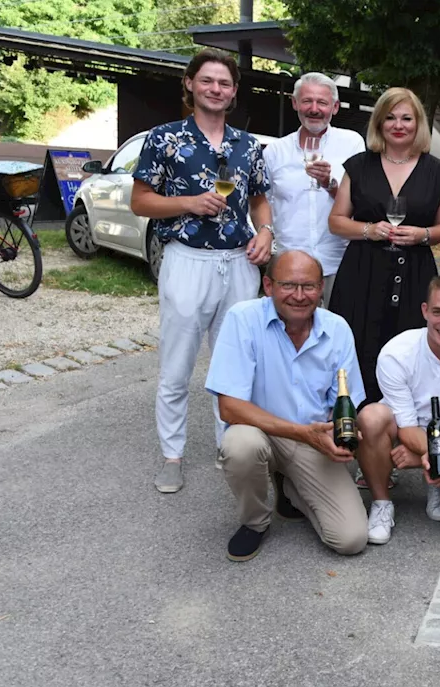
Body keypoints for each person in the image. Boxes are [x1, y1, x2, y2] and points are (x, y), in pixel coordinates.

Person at [130, 49, 273, 494]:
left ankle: (228, 444)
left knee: (235, 365)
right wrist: (189, 203)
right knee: (177, 365)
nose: (216, 89)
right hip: (188, 259)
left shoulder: (248, 145)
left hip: (239, 263)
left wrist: (265, 231)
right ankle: (172, 454)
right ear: (190, 84)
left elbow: (259, 199)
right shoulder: (165, 138)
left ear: (233, 93)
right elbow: (140, 201)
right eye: (207, 80)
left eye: (224, 83)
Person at [206, 250, 368, 561]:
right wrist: (301, 433)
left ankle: (291, 487)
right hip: (259, 431)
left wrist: (342, 434)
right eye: (288, 285)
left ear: (321, 288)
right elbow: (229, 407)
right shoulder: (243, 318)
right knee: (240, 445)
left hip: (313, 440)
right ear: (268, 286)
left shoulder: (337, 329)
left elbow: (344, 404)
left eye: (308, 286)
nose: (299, 295)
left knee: (351, 539)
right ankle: (255, 522)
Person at [326, 87, 440, 407]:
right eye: (391, 118)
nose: (399, 124)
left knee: (408, 348)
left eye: (407, 118)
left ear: (418, 124)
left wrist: (422, 235)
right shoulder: (358, 165)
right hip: (362, 270)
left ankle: (402, 423)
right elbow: (336, 221)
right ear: (380, 123)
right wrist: (369, 229)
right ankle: (350, 418)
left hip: (414, 272)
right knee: (355, 346)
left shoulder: (437, 171)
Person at [355, 276, 440, 545]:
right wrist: (435, 454)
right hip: (399, 425)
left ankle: (437, 480)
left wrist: (427, 456)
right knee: (370, 417)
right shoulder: (396, 352)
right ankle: (382, 503)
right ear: (424, 311)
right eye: (438, 312)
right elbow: (407, 428)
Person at [263, 72, 365, 307]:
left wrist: (329, 185)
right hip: (289, 263)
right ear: (295, 103)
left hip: (336, 261)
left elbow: (362, 203)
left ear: (335, 107)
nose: (314, 109)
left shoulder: (352, 144)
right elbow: (262, 203)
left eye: (322, 102)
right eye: (307, 101)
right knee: (288, 333)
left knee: (336, 331)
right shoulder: (275, 151)